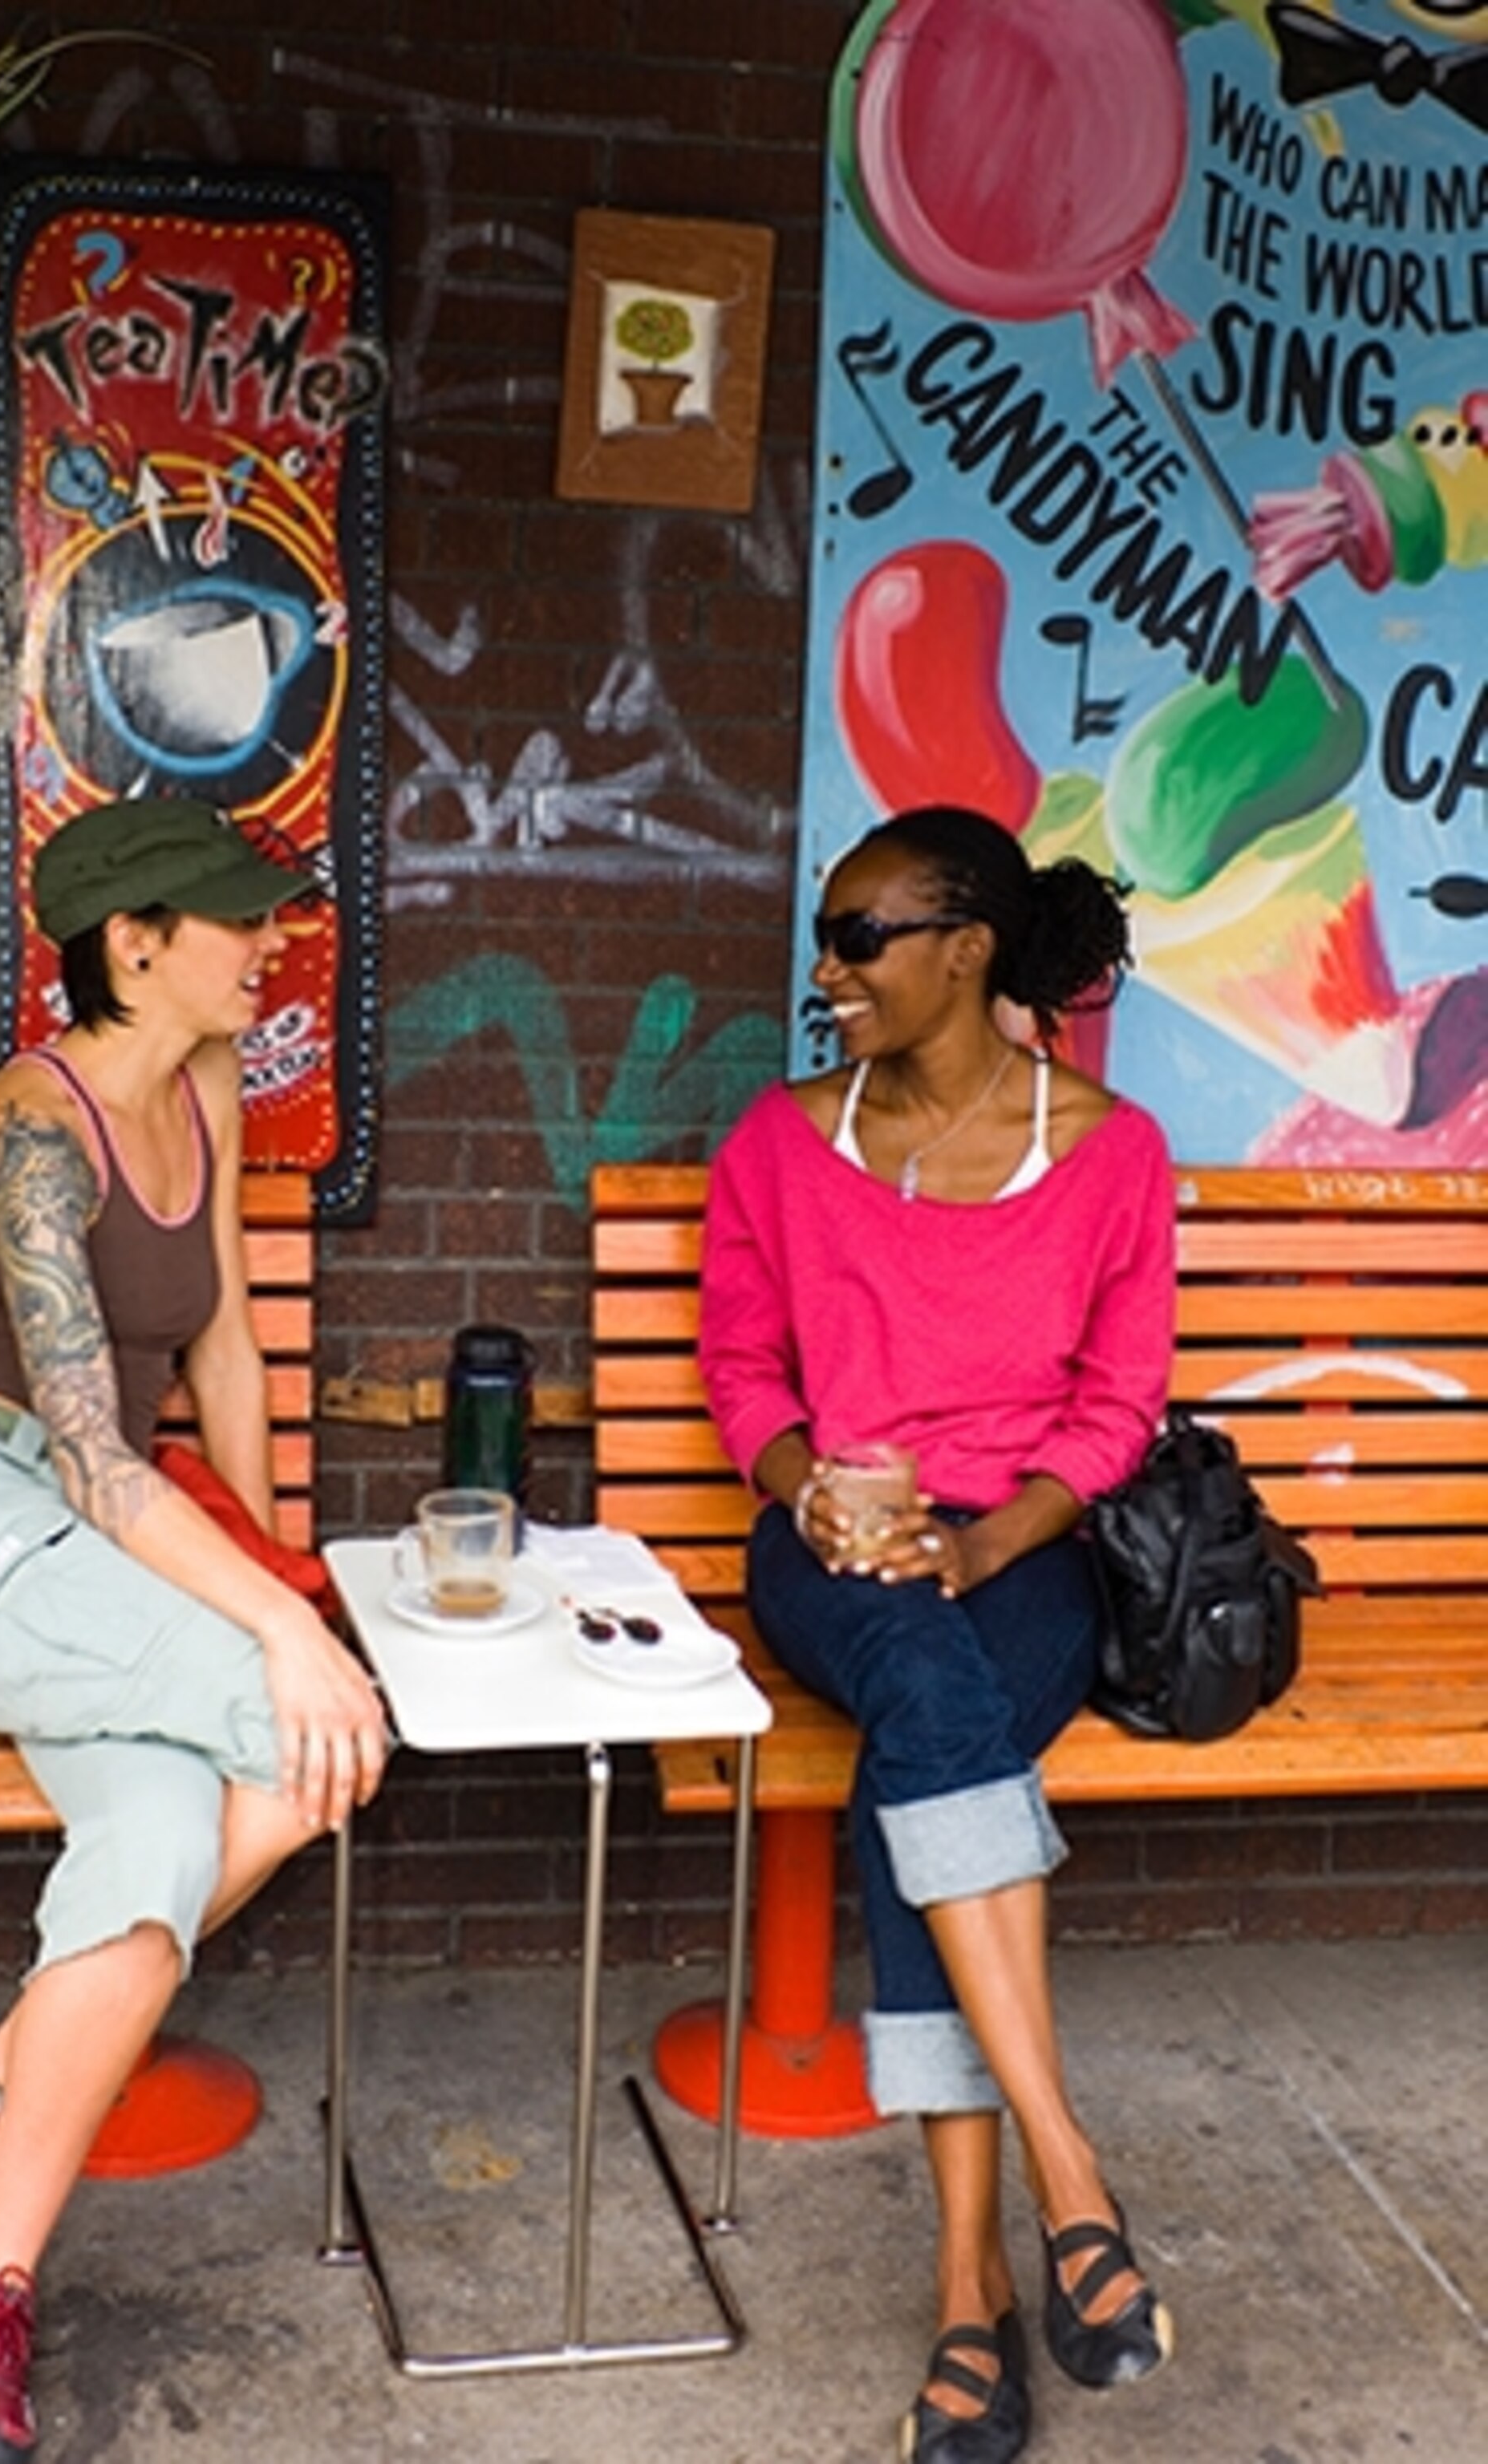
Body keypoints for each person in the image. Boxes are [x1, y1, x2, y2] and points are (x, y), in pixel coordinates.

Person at [0, 796, 390, 2464]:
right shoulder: (32, 1123)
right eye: (241, 920)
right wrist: (283, 1642)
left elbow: (216, 1355)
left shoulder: (207, 1085)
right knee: (314, 1714)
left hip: (95, 1550)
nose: (274, 940)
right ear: (134, 945)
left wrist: (278, 1574)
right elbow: (86, 1453)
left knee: (198, 1834)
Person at [698, 806, 1177, 2464]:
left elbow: (1115, 1415)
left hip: (1021, 1552)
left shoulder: (1109, 1153)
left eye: (860, 938)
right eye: (826, 941)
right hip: (829, 1553)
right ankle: (1068, 2172)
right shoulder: (778, 1140)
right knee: (919, 1690)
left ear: (964, 949)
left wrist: (983, 1541)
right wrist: (811, 1493)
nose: (827, 972)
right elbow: (744, 1375)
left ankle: (972, 2288)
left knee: (924, 1740)